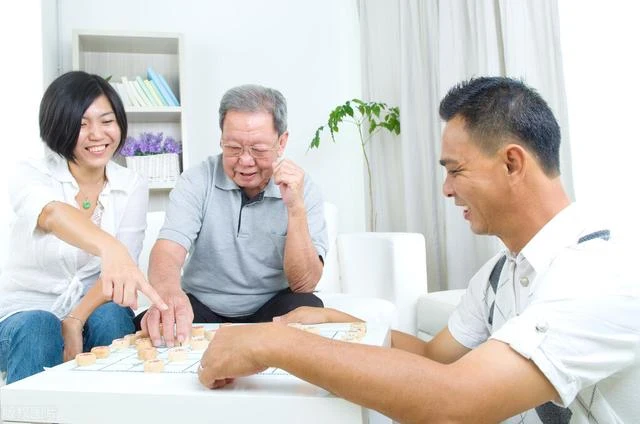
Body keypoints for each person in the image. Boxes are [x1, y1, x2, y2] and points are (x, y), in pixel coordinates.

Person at [196, 77, 639, 423]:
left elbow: (454, 403)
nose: (446, 189)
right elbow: (431, 356)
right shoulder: (497, 275)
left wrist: (275, 344)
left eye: (456, 170)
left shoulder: (599, 273)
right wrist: (337, 319)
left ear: (512, 163)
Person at [0, 71, 167, 384]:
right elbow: (50, 213)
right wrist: (109, 246)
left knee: (114, 316)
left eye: (106, 121)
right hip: (20, 315)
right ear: (59, 126)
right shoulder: (29, 173)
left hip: (92, 306)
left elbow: (116, 277)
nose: (97, 134)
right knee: (40, 326)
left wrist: (75, 319)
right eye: (81, 124)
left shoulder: (131, 185)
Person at [139, 84, 328, 347]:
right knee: (149, 325)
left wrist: (295, 209)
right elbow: (168, 251)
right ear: (221, 139)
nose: (245, 161)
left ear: (282, 142)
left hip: (272, 309)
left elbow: (304, 283)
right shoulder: (197, 179)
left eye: (258, 149)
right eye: (234, 148)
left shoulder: (303, 188)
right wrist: (170, 295)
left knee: (309, 307)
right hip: (203, 307)